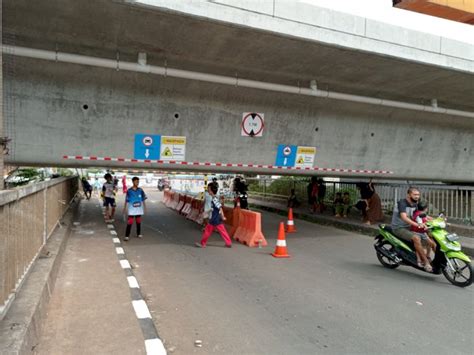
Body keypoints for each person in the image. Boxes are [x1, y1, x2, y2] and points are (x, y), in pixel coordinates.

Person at [391, 187, 432, 272]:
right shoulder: (402, 203)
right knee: (416, 238)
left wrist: (435, 220)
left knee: (431, 234)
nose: (417, 196)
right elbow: (404, 217)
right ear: (409, 195)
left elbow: (421, 214)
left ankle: (429, 256)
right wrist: (417, 224)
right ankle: (426, 262)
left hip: (409, 226)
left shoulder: (416, 203)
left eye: (418, 194)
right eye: (415, 194)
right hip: (399, 228)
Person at [195, 183, 232, 248]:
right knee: (223, 231)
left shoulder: (214, 199)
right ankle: (228, 243)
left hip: (214, 219)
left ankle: (203, 243)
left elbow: (220, 207)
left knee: (207, 231)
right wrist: (206, 212)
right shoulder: (214, 199)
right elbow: (213, 208)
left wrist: (223, 216)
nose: (208, 191)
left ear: (212, 191)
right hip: (217, 219)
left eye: (209, 189)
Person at [410, 200, 437, 267]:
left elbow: (428, 218)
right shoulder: (418, 215)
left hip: (422, 232)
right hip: (417, 233)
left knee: (432, 243)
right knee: (422, 246)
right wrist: (424, 225)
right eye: (427, 208)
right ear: (425, 208)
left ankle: (427, 256)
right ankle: (419, 260)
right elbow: (420, 223)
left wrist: (438, 221)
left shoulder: (421, 213)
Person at [122, 177, 147, 241]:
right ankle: (127, 236)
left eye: (138, 182)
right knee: (130, 222)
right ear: (133, 182)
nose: (137, 183)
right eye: (136, 182)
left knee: (138, 222)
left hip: (139, 209)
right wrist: (124, 208)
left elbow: (143, 199)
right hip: (131, 210)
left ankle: (138, 233)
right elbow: (126, 200)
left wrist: (145, 207)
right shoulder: (129, 191)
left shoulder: (140, 190)